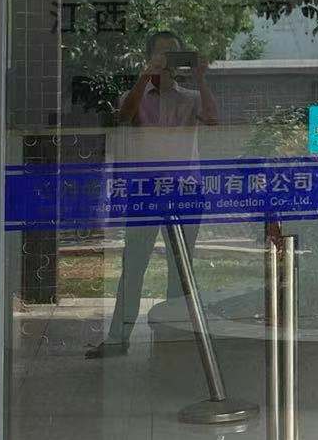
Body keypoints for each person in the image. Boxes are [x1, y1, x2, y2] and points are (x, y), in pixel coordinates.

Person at [87, 30, 219, 358]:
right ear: (149, 57)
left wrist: (201, 77)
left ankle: (173, 340)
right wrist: (146, 75)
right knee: (133, 265)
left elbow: (213, 118)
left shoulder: (190, 97)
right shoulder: (136, 94)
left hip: (186, 191)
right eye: (161, 54)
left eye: (172, 54)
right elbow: (123, 116)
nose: (166, 61)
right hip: (146, 191)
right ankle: (118, 338)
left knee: (180, 268)